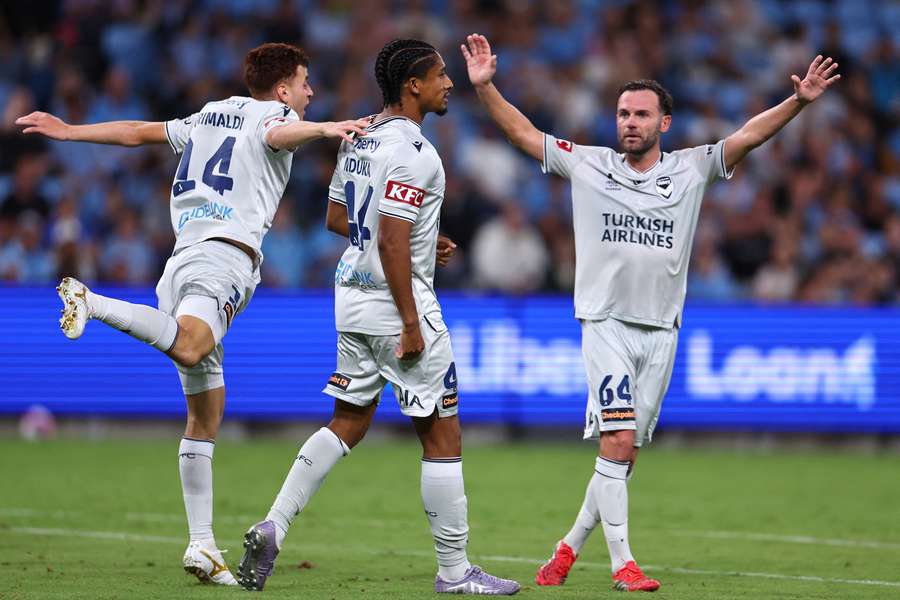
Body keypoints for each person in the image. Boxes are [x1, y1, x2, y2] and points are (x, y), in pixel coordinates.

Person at [461, 33, 840, 592]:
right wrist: (487, 86)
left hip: (662, 331)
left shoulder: (691, 169)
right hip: (606, 323)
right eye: (622, 113)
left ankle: (566, 549)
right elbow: (522, 132)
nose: (629, 122)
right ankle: (623, 566)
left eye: (641, 114)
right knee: (616, 443)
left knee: (624, 454)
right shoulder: (588, 165)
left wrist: (799, 102)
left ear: (665, 122)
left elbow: (748, 136)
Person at [16, 42, 369, 586]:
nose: (309, 92)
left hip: (182, 258)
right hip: (223, 257)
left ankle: (202, 545)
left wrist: (70, 131)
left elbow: (138, 131)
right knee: (190, 344)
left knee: (205, 415)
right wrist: (325, 128)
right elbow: (279, 133)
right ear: (282, 90)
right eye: (304, 82)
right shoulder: (276, 115)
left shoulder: (209, 113)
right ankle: (91, 301)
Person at [237, 38, 520, 596]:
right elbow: (390, 242)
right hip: (398, 306)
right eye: (440, 75)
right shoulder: (416, 154)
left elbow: (341, 219)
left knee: (347, 422)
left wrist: (419, 235)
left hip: (351, 300)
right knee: (443, 434)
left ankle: (275, 522)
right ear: (413, 85)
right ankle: (455, 572)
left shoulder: (358, 139)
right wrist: (413, 323)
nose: (448, 84)